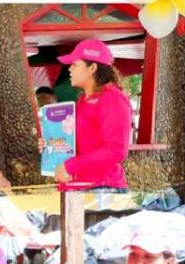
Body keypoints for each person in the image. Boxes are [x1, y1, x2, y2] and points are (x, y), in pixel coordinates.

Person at [39, 38, 132, 190]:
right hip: (76, 188)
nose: (69, 69)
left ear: (92, 68)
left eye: (75, 64)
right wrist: (51, 144)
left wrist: (70, 166)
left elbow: (116, 150)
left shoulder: (112, 98)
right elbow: (77, 142)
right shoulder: (82, 100)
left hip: (102, 189)